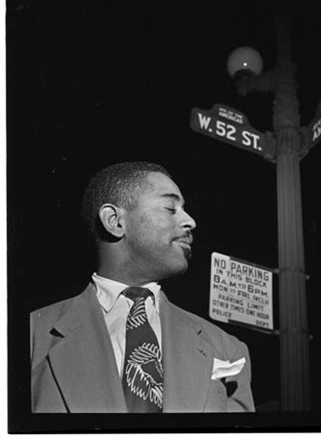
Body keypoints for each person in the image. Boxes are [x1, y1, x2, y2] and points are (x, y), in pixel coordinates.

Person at [30, 161, 255, 413]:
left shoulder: (228, 349)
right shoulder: (31, 334)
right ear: (114, 221)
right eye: (170, 208)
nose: (190, 221)